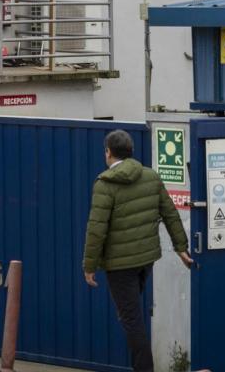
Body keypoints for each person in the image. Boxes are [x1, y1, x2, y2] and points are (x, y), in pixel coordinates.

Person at [83, 129, 192, 372]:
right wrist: (181, 248)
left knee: (131, 319)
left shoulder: (105, 184)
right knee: (130, 314)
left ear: (108, 152)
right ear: (131, 151)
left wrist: (89, 266)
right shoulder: (151, 177)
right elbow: (170, 213)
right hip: (146, 259)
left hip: (120, 265)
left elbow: (96, 229)